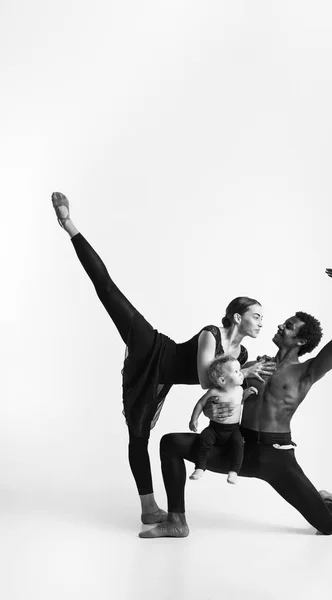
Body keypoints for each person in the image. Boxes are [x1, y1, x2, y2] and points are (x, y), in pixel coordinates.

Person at [50, 192, 274, 524]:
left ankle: (147, 509)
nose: (261, 322)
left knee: (139, 438)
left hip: (162, 379)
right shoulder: (211, 334)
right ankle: (68, 224)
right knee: (108, 290)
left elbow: (231, 391)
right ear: (238, 317)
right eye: (256, 316)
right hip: (153, 349)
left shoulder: (242, 354)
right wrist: (244, 370)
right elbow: (203, 380)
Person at [139, 261, 332, 538]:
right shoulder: (252, 365)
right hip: (238, 448)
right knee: (170, 443)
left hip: (275, 456)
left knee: (327, 526)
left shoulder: (305, 373)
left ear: (300, 341)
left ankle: (323, 499)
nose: (279, 326)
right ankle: (177, 522)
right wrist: (213, 410)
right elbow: (217, 388)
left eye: (288, 327)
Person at [188, 356, 258, 484]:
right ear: (222, 380)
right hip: (215, 428)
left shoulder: (239, 389)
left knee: (239, 445)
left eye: (240, 370)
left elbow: (239, 402)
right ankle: (200, 467)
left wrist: (247, 393)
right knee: (204, 440)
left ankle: (234, 472)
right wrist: (194, 419)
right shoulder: (214, 391)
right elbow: (200, 403)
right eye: (236, 371)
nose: (241, 373)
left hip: (233, 430)